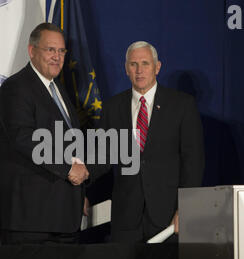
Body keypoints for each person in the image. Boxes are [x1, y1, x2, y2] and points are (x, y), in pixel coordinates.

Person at [70, 41, 205, 243]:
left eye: (145, 63)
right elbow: (102, 157)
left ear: (157, 67)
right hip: (126, 219)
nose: (139, 70)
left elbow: (193, 163)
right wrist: (82, 180)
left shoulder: (181, 106)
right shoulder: (112, 108)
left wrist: (185, 208)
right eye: (133, 64)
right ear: (126, 69)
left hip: (168, 217)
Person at [0, 23, 89, 245]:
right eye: (50, 50)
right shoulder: (16, 88)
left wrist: (77, 193)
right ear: (32, 51)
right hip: (30, 220)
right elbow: (24, 138)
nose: (57, 57)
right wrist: (68, 169)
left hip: (62, 217)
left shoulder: (57, 89)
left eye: (61, 51)